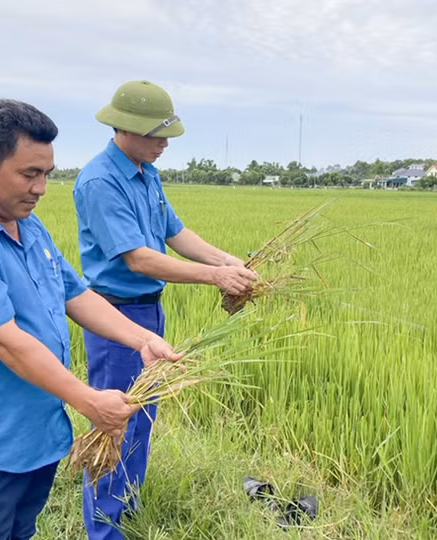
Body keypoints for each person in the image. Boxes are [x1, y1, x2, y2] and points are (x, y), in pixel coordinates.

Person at [0, 99, 182, 540]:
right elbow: (5, 342)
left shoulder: (26, 225)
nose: (41, 188)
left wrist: (140, 338)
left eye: (46, 173)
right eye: (28, 174)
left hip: (35, 437)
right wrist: (89, 401)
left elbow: (75, 294)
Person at [73, 80, 257, 539]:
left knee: (142, 417)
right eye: (157, 134)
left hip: (149, 312)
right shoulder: (101, 180)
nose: (165, 144)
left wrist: (230, 262)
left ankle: (127, 510)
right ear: (127, 129)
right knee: (114, 421)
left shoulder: (145, 172)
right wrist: (215, 277)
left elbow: (175, 232)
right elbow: (137, 257)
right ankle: (103, 528)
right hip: (114, 317)